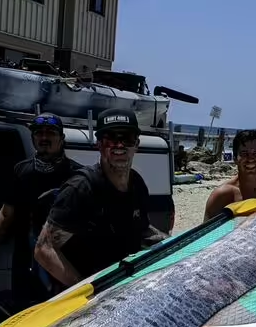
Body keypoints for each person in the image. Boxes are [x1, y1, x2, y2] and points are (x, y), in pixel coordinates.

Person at [34, 109, 169, 287]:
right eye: (110, 139)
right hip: (89, 293)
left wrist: (174, 245)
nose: (119, 146)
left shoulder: (137, 184)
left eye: (126, 138)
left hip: (122, 283)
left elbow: (143, 230)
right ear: (99, 144)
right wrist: (85, 290)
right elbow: (44, 249)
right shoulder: (81, 189)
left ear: (136, 144)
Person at [0, 113, 83, 307]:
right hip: (25, 264)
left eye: (50, 133)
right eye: (39, 133)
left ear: (62, 138)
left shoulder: (78, 175)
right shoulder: (21, 171)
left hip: (64, 265)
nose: (44, 138)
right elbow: (6, 214)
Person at [203, 129, 256, 221]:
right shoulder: (222, 195)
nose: (250, 159)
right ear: (235, 159)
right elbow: (206, 233)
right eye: (244, 154)